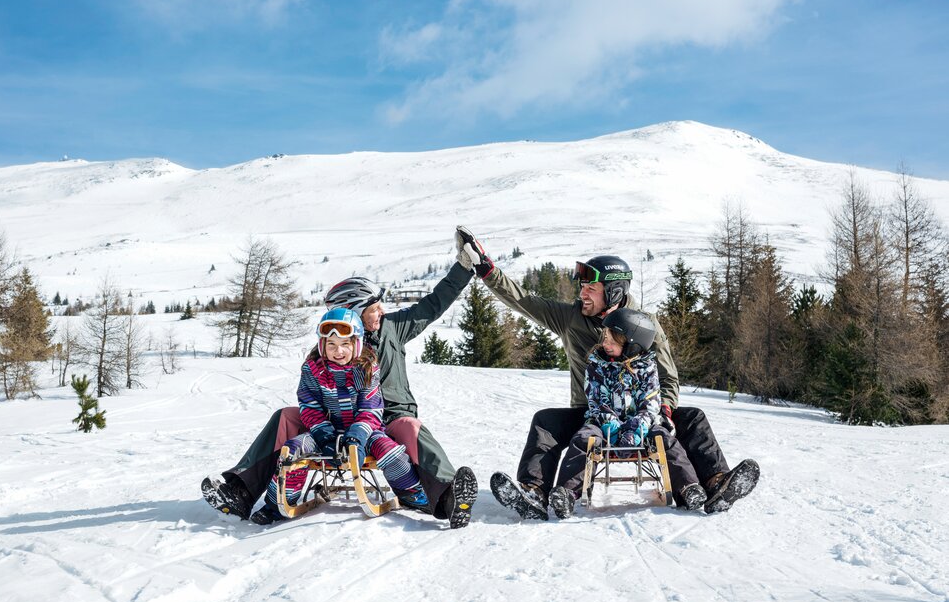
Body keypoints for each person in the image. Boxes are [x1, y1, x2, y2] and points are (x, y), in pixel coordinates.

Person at [455, 226, 759, 517]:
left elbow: (667, 377)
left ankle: (715, 483)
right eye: (583, 287)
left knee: (693, 418)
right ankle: (534, 491)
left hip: (645, 412)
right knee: (545, 422)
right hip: (593, 414)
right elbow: (524, 301)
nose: (583, 294)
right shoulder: (571, 318)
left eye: (591, 288)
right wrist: (486, 269)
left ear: (613, 291)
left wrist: (663, 410)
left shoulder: (645, 325)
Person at [202, 260, 479, 528]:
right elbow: (311, 394)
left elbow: (433, 305)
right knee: (285, 417)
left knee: (411, 427)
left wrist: (464, 269)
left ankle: (447, 498)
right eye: (373, 308)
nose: (381, 311)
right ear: (354, 312)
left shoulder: (391, 327)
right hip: (333, 418)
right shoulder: (331, 344)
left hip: (388, 416)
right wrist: (321, 427)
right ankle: (240, 492)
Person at [253, 308, 428, 524]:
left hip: (366, 432)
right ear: (322, 346)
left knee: (388, 449)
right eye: (332, 345)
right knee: (293, 450)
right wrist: (325, 437)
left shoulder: (367, 369)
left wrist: (356, 438)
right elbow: (310, 407)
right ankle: (277, 503)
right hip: (327, 431)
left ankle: (412, 493)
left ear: (356, 344)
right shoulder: (312, 371)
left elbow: (370, 409)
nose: (339, 351)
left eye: (345, 344)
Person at [546, 308, 707, 518]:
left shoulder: (648, 369)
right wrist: (609, 422)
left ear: (632, 345)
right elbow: (596, 399)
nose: (605, 344)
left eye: (612, 341)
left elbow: (651, 402)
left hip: (643, 424)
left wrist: (637, 426)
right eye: (604, 338)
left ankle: (688, 488)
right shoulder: (597, 365)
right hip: (602, 422)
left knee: (666, 440)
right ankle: (566, 492)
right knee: (583, 439)